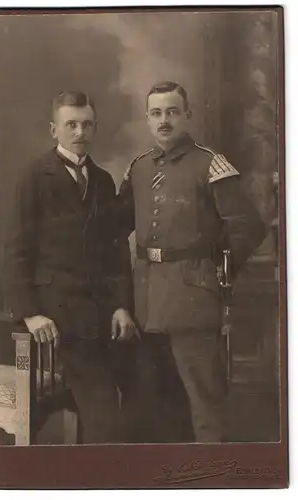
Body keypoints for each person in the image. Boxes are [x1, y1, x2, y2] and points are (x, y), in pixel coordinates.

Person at [117, 81, 266, 443]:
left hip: (193, 297)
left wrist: (218, 268)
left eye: (172, 112)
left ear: (187, 115)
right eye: (156, 113)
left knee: (204, 401)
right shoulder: (137, 168)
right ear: (147, 119)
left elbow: (248, 226)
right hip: (145, 300)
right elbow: (115, 229)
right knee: (155, 401)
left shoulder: (211, 164)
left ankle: (208, 477)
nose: (164, 120)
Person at [6, 90, 137, 444]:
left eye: (87, 124)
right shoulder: (33, 178)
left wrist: (122, 304)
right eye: (71, 125)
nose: (80, 132)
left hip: (100, 314)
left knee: (144, 395)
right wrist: (30, 313)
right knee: (105, 415)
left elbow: (115, 252)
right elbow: (15, 252)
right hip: (55, 316)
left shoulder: (103, 180)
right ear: (54, 130)